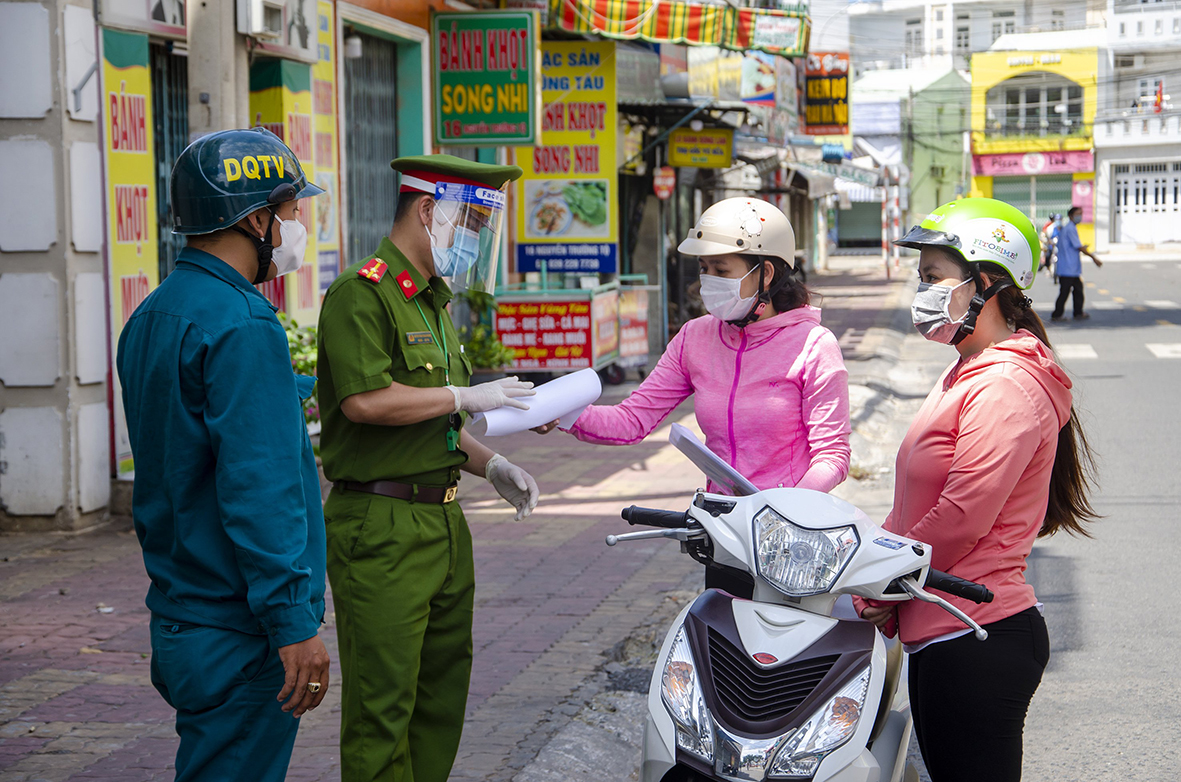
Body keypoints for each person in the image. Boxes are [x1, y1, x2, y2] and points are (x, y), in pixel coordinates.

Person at [856, 197, 1099, 782]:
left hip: (974, 637)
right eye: (922, 278)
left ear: (986, 283)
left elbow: (961, 515)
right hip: (944, 630)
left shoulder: (1008, 384)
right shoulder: (970, 369)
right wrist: (859, 562)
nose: (923, 291)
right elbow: (913, 505)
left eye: (933, 278)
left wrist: (881, 587)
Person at [316, 154, 541, 782]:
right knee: (382, 709)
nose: (471, 240)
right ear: (426, 210)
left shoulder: (434, 306)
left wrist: (491, 462)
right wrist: (464, 397)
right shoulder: (362, 293)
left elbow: (435, 421)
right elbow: (366, 402)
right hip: (380, 524)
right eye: (467, 221)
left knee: (439, 700)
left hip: (442, 522)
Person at [116, 128, 330, 782]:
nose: (296, 225)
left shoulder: (154, 315)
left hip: (184, 616)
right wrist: (293, 623)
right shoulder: (241, 322)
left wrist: (290, 394)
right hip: (240, 629)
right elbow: (258, 491)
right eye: (290, 209)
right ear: (255, 218)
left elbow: (188, 436)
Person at [536, 196, 851, 596]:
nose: (708, 281)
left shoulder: (813, 345)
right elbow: (632, 420)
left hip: (788, 542)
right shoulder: (695, 337)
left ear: (766, 273)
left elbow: (833, 455)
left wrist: (784, 512)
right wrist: (565, 413)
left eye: (721, 270)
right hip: (722, 534)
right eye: (704, 269)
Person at [1051, 206, 1102, 321]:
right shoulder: (1070, 229)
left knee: (1076, 289)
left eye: (1081, 214)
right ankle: (1058, 314)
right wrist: (1093, 258)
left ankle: (1076, 312)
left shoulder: (1068, 228)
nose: (1080, 216)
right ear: (1071, 216)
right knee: (1066, 291)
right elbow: (1078, 246)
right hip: (1068, 267)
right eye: (1078, 214)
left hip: (1069, 267)